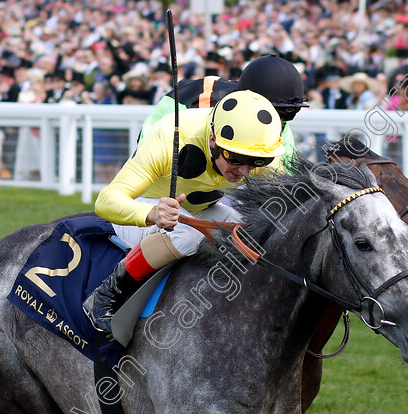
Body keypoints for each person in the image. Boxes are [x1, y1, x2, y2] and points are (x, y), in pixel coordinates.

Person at [83, 90, 285, 336]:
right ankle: (107, 293)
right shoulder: (171, 135)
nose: (245, 170)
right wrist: (152, 214)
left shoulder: (264, 154)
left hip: (195, 211)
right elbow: (106, 201)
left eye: (256, 162)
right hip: (143, 208)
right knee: (188, 235)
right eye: (236, 158)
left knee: (247, 233)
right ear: (212, 140)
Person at [139, 55, 308, 161]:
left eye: (286, 117)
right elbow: (145, 156)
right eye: (274, 114)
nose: (279, 125)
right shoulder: (193, 104)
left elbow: (285, 179)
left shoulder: (281, 126)